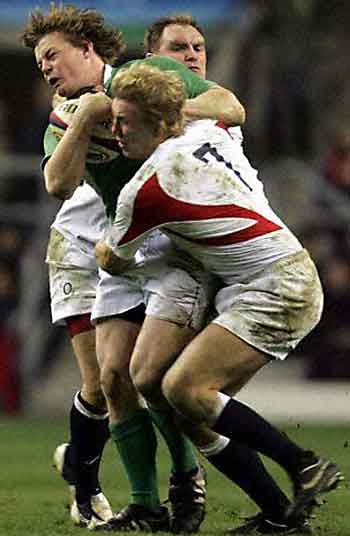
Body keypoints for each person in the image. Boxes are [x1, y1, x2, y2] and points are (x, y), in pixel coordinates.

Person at [22, 5, 246, 532]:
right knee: (110, 379)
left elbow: (228, 105)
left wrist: (162, 111)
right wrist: (88, 118)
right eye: (39, 63)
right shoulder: (62, 116)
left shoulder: (149, 82)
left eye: (52, 55)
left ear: (86, 48)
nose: (48, 69)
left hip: (164, 247)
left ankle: (175, 482)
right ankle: (108, 490)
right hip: (96, 249)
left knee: (156, 377)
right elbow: (57, 183)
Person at [95, 63, 343, 534]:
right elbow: (229, 108)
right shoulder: (206, 130)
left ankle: (304, 464)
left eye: (125, 122)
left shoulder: (145, 188)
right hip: (278, 273)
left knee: (184, 390)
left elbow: (115, 262)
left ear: (156, 120)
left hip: (278, 288)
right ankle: (280, 517)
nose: (116, 131)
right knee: (186, 404)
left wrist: (103, 246)